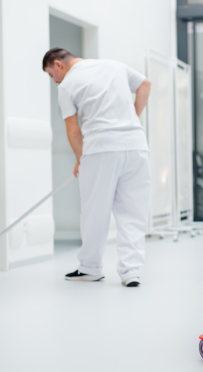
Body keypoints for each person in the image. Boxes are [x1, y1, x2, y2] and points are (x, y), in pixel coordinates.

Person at [42, 48, 152, 287]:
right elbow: (145, 84)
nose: (55, 80)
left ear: (58, 65)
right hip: (135, 145)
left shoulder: (67, 85)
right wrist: (132, 117)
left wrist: (81, 158)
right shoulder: (114, 65)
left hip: (101, 149)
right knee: (133, 212)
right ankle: (131, 271)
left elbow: (73, 130)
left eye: (52, 75)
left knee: (95, 212)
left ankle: (90, 268)